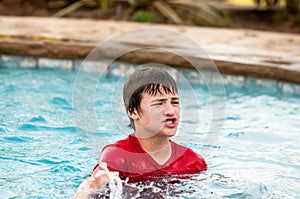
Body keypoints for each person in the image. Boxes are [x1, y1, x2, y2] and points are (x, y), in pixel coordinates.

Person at [72, 67, 207, 198]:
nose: (171, 111)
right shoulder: (118, 156)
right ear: (133, 112)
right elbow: (96, 181)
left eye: (175, 102)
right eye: (159, 103)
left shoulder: (193, 162)